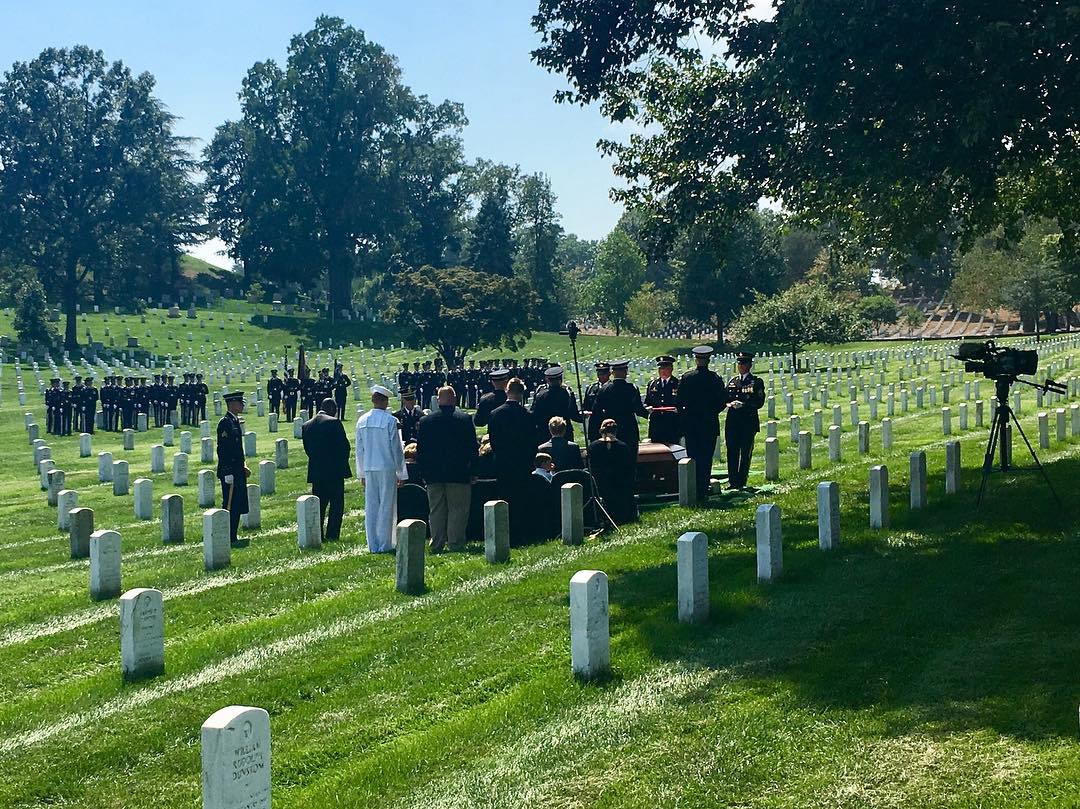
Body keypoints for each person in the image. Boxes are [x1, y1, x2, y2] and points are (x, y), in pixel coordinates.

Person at [415, 385, 478, 553]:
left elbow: (421, 450)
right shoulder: (464, 419)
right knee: (458, 509)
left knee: (436, 510)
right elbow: (472, 448)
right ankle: (455, 543)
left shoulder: (426, 421)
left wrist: (423, 472)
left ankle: (437, 543)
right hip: (458, 473)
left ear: (438, 400)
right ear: (455, 400)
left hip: (434, 474)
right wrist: (473, 471)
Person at [355, 385, 408, 553]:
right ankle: (385, 543)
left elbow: (359, 449)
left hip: (370, 467)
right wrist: (401, 472)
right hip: (386, 466)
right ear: (385, 401)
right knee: (387, 505)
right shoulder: (390, 421)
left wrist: (361, 473)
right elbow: (396, 449)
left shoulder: (362, 420)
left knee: (371, 506)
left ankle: (373, 544)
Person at [487, 377, 537, 543]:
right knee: (521, 499)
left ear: (506, 391)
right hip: (522, 464)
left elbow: (494, 441)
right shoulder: (528, 416)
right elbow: (532, 443)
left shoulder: (495, 414)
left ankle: (505, 532)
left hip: (503, 463)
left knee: (504, 498)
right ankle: (521, 532)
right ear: (522, 394)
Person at [677, 345, 728, 500]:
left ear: (696, 360)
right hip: (709, 423)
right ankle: (703, 487)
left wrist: (687, 415)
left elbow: (679, 402)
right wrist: (711, 412)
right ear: (708, 360)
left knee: (693, 455)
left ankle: (693, 487)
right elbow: (722, 401)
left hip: (692, 424)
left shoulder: (687, 378)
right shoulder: (715, 378)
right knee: (706, 457)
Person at [301, 398, 352, 542]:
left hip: (317, 471)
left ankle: (318, 533)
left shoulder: (307, 425)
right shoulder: (334, 423)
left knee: (319, 505)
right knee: (336, 505)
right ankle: (332, 534)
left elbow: (308, 450)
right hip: (334, 471)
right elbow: (344, 447)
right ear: (331, 408)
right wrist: (341, 465)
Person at [724, 351, 767, 489]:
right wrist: (729, 404)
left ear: (749, 365)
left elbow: (759, 402)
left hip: (747, 421)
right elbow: (725, 398)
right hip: (733, 422)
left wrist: (744, 405)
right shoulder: (732, 382)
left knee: (745, 452)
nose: (741, 366)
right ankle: (732, 481)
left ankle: (741, 481)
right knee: (732, 451)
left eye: (744, 363)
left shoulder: (756, 382)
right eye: (739, 363)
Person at [216, 391, 250, 547]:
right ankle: (227, 535)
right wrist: (228, 471)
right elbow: (223, 450)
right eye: (239, 402)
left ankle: (233, 534)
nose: (242, 405)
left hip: (237, 470)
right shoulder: (225, 423)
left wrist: (243, 465)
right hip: (229, 471)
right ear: (232, 404)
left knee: (237, 503)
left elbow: (237, 448)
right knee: (230, 504)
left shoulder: (235, 421)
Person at [588, 418, 638, 525]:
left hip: (600, 488)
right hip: (620, 490)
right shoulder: (624, 447)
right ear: (616, 431)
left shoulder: (593, 447)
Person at [593, 359, 647, 448]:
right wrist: (648, 413)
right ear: (626, 372)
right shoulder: (632, 389)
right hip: (629, 430)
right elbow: (638, 409)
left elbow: (597, 410)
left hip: (611, 430)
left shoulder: (604, 389)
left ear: (613, 373)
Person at [529, 365, 582, 446]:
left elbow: (534, 415)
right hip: (564, 433)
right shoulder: (567, 394)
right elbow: (574, 414)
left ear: (547, 380)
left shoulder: (540, 395)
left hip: (545, 434)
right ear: (560, 379)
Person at [645, 355, 681, 444]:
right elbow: (647, 402)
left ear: (671, 369)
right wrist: (647, 408)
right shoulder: (652, 384)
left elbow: (682, 403)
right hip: (656, 424)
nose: (663, 371)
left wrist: (678, 409)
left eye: (666, 369)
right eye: (661, 369)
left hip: (672, 423)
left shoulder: (678, 384)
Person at [582, 362, 611, 442]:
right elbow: (586, 406)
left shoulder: (613, 388)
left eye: (603, 373)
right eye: (599, 373)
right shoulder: (591, 388)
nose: (601, 376)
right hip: (595, 426)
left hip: (609, 425)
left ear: (609, 373)